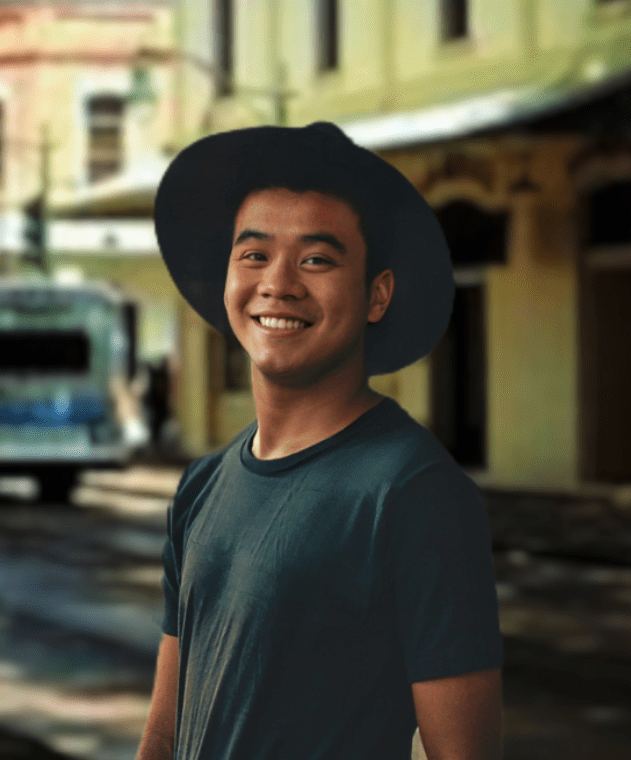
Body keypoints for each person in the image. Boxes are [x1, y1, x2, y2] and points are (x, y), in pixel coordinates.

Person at [137, 122, 503, 760]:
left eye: (316, 259)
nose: (278, 283)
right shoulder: (202, 487)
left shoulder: (418, 495)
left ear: (376, 295)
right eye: (253, 254)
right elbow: (165, 736)